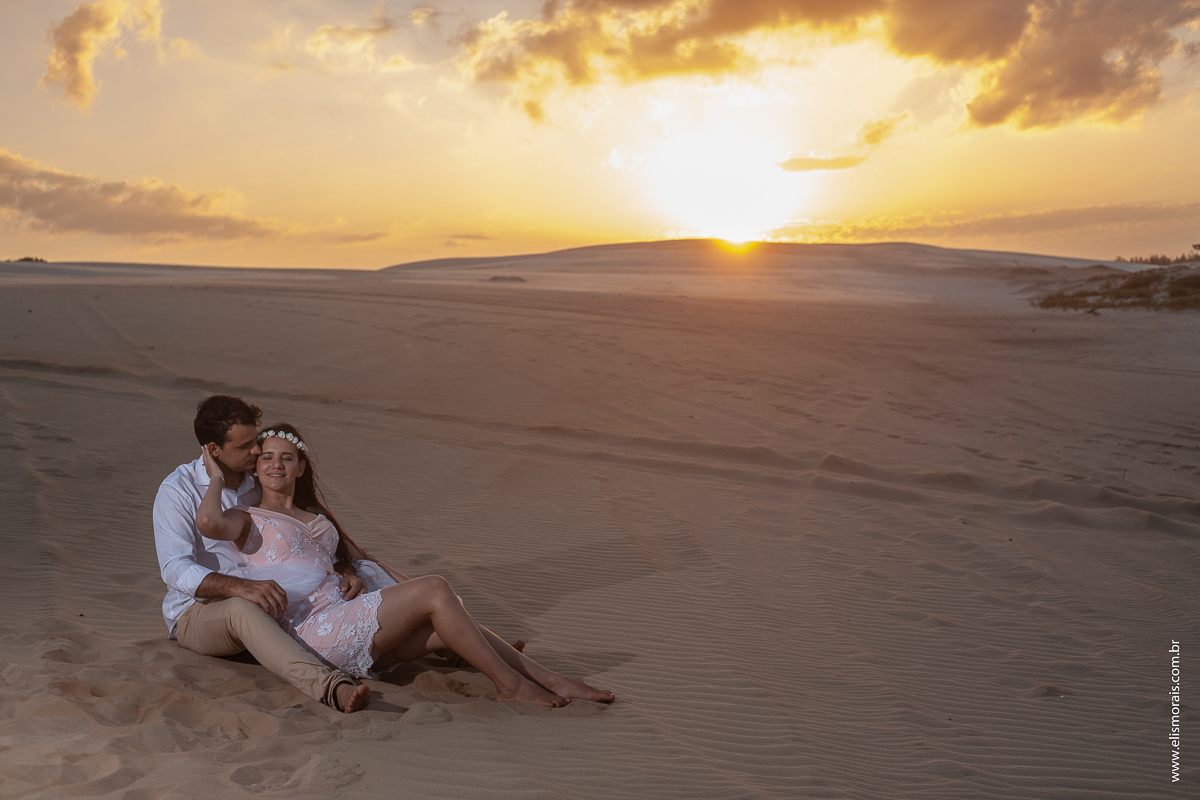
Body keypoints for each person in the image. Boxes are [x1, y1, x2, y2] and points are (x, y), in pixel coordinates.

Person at [196, 421, 616, 708]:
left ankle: (547, 678)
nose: (276, 465)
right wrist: (215, 476)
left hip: (351, 623)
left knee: (446, 617)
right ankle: (512, 684)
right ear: (256, 468)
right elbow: (209, 523)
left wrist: (372, 580)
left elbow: (365, 562)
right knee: (435, 589)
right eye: (267, 458)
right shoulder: (248, 517)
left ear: (301, 467)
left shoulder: (318, 519)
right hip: (314, 632)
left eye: (286, 457)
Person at [153, 396, 370, 713]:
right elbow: (176, 569)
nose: (257, 451)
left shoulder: (261, 478)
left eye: (255, 440)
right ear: (214, 450)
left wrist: (346, 569)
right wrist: (241, 587)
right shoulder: (177, 490)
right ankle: (330, 687)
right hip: (199, 613)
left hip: (274, 601)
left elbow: (314, 531)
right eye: (245, 446)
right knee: (240, 608)